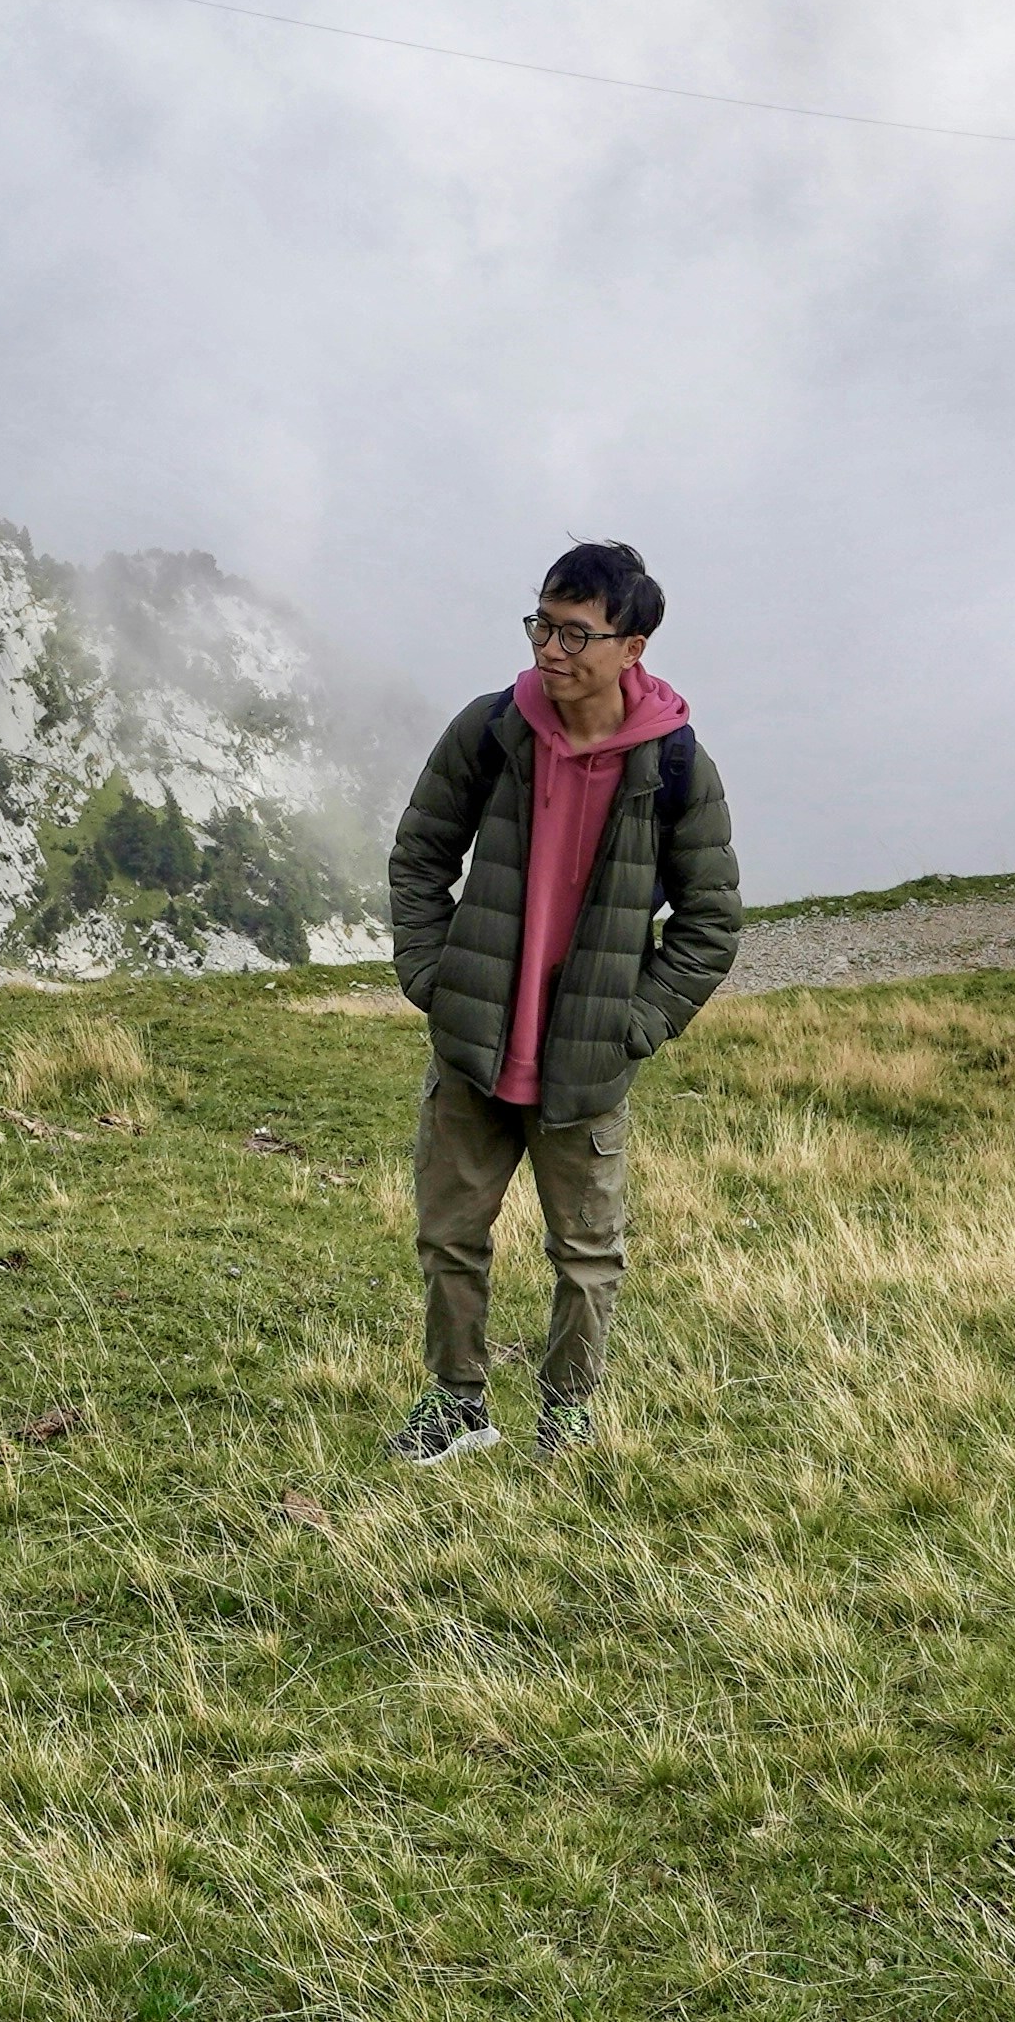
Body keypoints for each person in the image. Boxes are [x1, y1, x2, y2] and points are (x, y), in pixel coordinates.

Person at [381, 538, 739, 1461]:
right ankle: (457, 1405)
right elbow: (420, 854)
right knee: (450, 1234)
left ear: (633, 647)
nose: (551, 650)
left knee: (586, 1254)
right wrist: (431, 975)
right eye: (543, 623)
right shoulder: (492, 726)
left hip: (585, 1062)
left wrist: (634, 1025)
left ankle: (567, 1413)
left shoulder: (675, 767)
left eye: (578, 634)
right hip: (475, 1042)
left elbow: (711, 923)